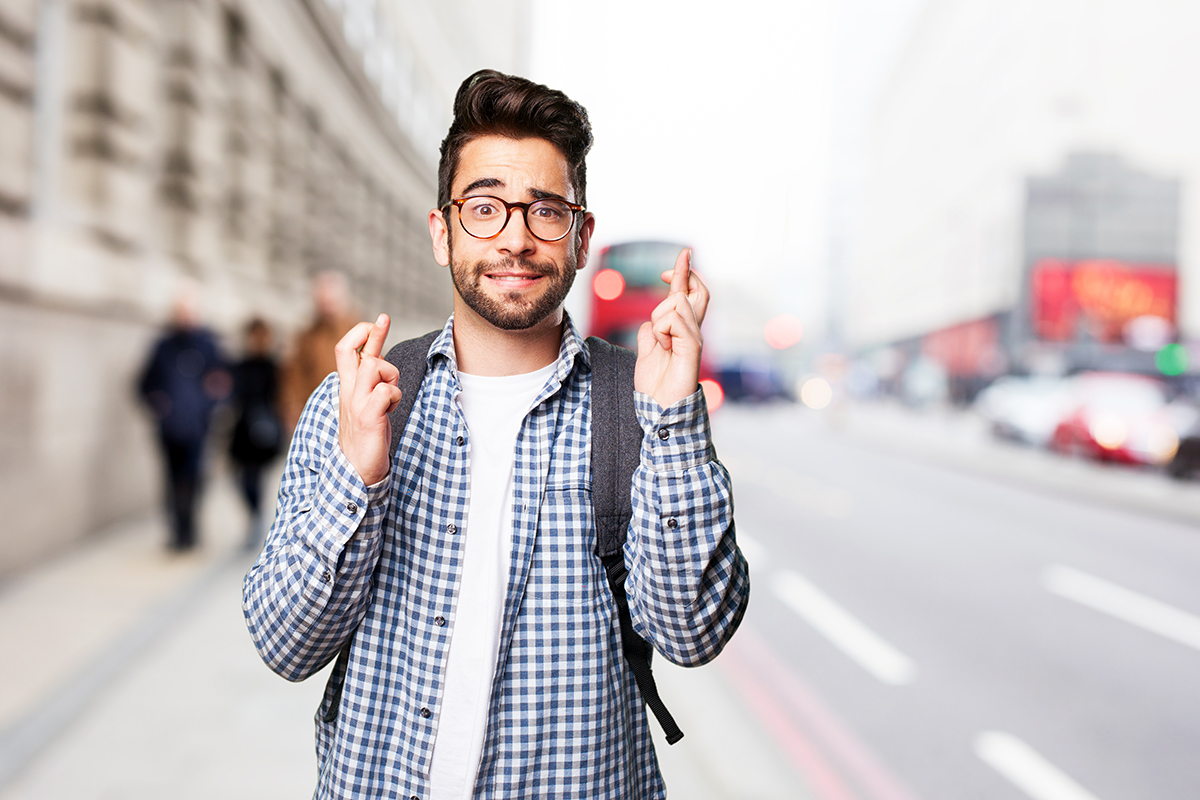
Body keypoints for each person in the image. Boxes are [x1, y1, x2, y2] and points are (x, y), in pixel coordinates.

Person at [243, 69, 749, 799]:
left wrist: (671, 421)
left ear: (581, 236)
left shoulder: (639, 413)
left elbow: (692, 636)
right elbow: (285, 646)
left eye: (545, 211)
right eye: (485, 208)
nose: (515, 238)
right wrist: (359, 478)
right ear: (442, 232)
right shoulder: (359, 402)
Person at [138, 284, 229, 551]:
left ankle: (191, 528)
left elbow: (224, 381)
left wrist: (209, 405)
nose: (185, 317)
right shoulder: (162, 346)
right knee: (171, 481)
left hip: (198, 427)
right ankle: (177, 531)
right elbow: (144, 384)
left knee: (195, 479)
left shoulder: (208, 345)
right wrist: (159, 405)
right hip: (169, 428)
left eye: (189, 312)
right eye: (181, 311)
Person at [279, 270, 359, 432]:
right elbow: (294, 378)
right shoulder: (307, 337)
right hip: (314, 418)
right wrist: (292, 409)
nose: (326, 307)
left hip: (350, 417)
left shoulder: (359, 332)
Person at [228, 317, 284, 549]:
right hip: (242, 432)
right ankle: (255, 515)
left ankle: (256, 520)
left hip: (265, 433)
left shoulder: (276, 367)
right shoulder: (240, 366)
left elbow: (282, 398)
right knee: (241, 480)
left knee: (256, 480)